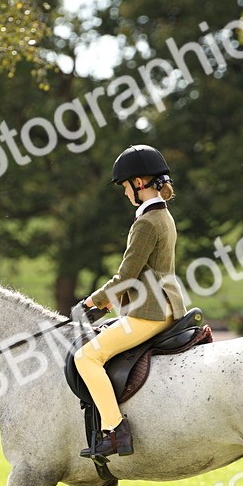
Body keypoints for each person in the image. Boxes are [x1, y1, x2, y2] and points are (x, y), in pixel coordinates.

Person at [74, 145, 187, 458]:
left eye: (125, 186)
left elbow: (126, 275)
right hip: (164, 305)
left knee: (86, 358)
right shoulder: (163, 216)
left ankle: (114, 430)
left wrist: (91, 302)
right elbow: (145, 272)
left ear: (139, 183)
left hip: (149, 312)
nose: (124, 193)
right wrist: (111, 303)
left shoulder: (146, 223)